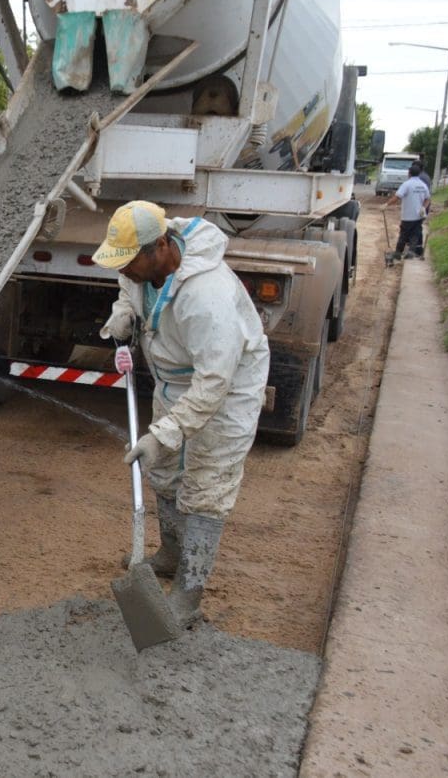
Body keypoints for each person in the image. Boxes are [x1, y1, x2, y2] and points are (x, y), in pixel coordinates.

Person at [96, 200, 270, 628]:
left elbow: (214, 382)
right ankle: (171, 553)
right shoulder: (147, 264)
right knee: (166, 470)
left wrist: (163, 434)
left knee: (207, 485)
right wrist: (123, 312)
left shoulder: (206, 298)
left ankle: (188, 593)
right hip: (175, 378)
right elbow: (129, 286)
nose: (124, 271)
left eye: (129, 262)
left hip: (226, 390)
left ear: (159, 248)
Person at [384, 160, 430, 261]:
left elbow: (397, 197)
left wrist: (386, 204)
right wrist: (423, 207)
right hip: (418, 216)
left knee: (403, 235)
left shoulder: (407, 184)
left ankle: (398, 253)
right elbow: (428, 199)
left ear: (409, 173)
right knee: (414, 235)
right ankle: (411, 252)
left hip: (407, 215)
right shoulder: (423, 185)